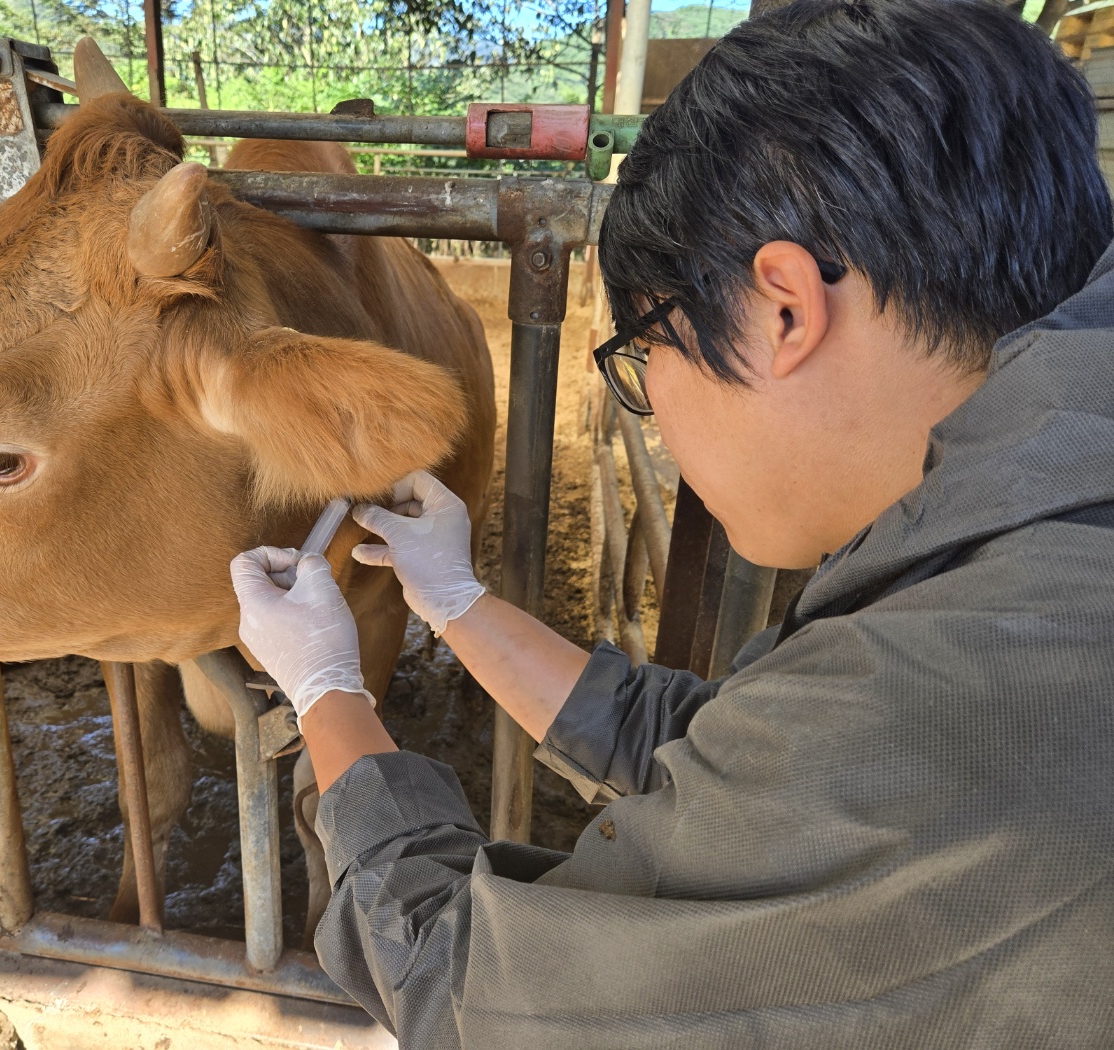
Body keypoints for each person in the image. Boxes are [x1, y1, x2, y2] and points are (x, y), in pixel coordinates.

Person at [229, 0, 1114, 1045]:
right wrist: (456, 602)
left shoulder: (949, 701)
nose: (646, 410)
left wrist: (325, 693)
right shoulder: (1039, 527)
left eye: (642, 352)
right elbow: (724, 750)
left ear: (779, 307)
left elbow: (462, 992)